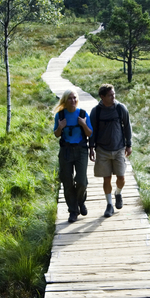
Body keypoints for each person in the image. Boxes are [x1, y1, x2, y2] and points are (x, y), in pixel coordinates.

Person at [89, 84, 132, 218]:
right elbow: (92, 131)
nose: (113, 97)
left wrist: (128, 144)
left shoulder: (120, 108)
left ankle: (118, 193)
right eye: (110, 95)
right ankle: (109, 205)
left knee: (121, 177)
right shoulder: (96, 111)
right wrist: (91, 148)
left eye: (114, 94)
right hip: (102, 149)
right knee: (106, 179)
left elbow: (127, 126)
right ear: (102, 97)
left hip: (119, 148)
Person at [53, 89, 93, 223]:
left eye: (74, 98)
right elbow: (57, 134)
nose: (73, 100)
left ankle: (80, 201)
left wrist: (82, 123)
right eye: (70, 98)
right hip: (65, 151)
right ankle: (73, 211)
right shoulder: (60, 116)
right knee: (67, 181)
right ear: (65, 100)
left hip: (81, 150)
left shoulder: (82, 114)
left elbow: (89, 133)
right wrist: (60, 127)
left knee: (81, 181)